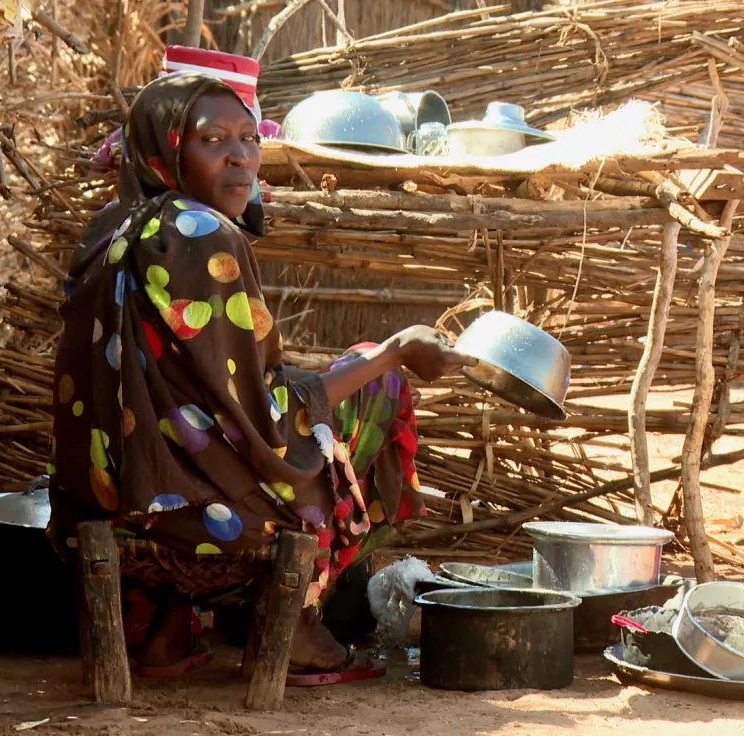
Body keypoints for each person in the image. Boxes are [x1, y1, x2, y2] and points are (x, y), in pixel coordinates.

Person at [47, 70, 473, 682]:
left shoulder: (113, 224)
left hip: (99, 497)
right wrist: (392, 354)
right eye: (213, 140)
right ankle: (298, 621)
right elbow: (269, 420)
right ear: (167, 150)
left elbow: (188, 393)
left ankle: (168, 629)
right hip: (202, 516)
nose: (241, 156)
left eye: (248, 137)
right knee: (376, 390)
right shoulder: (200, 236)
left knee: (189, 432)